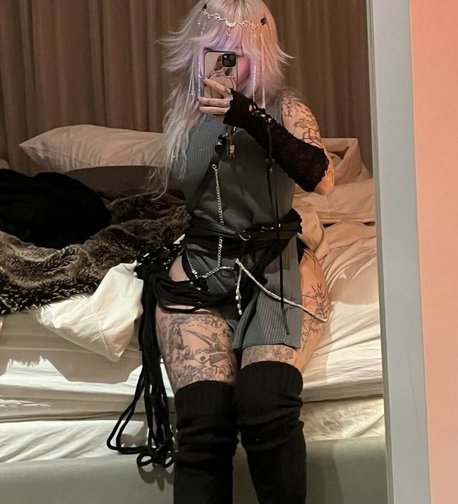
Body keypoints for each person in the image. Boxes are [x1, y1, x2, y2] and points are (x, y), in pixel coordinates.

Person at [156, 1, 335, 502]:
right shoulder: (184, 112)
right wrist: (213, 117)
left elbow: (323, 179)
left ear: (263, 53)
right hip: (202, 266)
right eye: (217, 51)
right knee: (204, 423)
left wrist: (251, 118)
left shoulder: (285, 106)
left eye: (240, 52)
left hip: (275, 264)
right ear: (197, 51)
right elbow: (185, 187)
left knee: (265, 406)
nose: (228, 63)